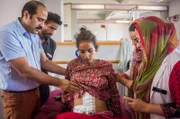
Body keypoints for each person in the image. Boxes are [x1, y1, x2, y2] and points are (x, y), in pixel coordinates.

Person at [0, 1, 79, 119]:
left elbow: (45, 62)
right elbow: (25, 70)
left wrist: (69, 72)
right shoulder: (8, 34)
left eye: (44, 21)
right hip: (18, 97)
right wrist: (60, 82)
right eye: (40, 20)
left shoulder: (34, 34)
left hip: (35, 92)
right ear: (26, 15)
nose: (42, 25)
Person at [116, 16, 180, 119]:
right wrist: (119, 78)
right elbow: (141, 85)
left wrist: (146, 107)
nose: (137, 45)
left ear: (155, 38)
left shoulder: (176, 65)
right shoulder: (150, 58)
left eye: (140, 40)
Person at [56, 26, 127, 119]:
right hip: (77, 115)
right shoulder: (72, 65)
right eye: (82, 52)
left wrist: (118, 114)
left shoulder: (105, 66)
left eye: (90, 51)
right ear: (77, 50)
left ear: (96, 49)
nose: (86, 55)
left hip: (100, 115)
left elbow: (114, 92)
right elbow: (67, 90)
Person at [38, 12, 62, 107]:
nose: (52, 32)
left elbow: (47, 64)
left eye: (54, 29)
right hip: (27, 84)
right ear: (42, 23)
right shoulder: (29, 40)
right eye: (51, 28)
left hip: (43, 84)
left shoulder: (52, 44)